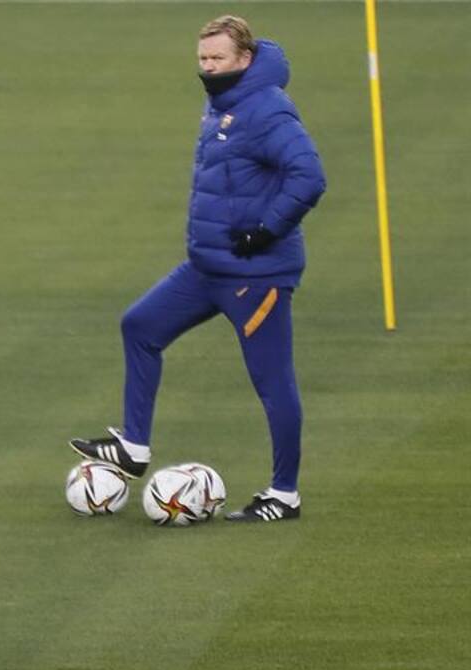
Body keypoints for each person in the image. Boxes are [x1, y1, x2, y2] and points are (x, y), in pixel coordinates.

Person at [70, 16, 326, 523]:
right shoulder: (223, 102)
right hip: (208, 268)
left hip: (255, 276)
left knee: (272, 382)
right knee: (140, 325)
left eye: (218, 59)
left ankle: (284, 495)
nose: (208, 68)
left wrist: (267, 230)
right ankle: (134, 446)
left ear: (244, 59)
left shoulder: (267, 109)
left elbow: (309, 175)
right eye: (203, 59)